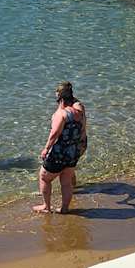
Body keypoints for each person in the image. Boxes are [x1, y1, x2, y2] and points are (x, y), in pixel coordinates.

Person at [34, 81, 87, 215]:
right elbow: (82, 130)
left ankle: (46, 206)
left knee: (44, 177)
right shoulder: (79, 112)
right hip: (72, 152)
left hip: (59, 153)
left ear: (60, 99)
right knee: (66, 182)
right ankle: (64, 208)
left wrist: (46, 149)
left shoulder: (61, 114)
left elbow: (54, 134)